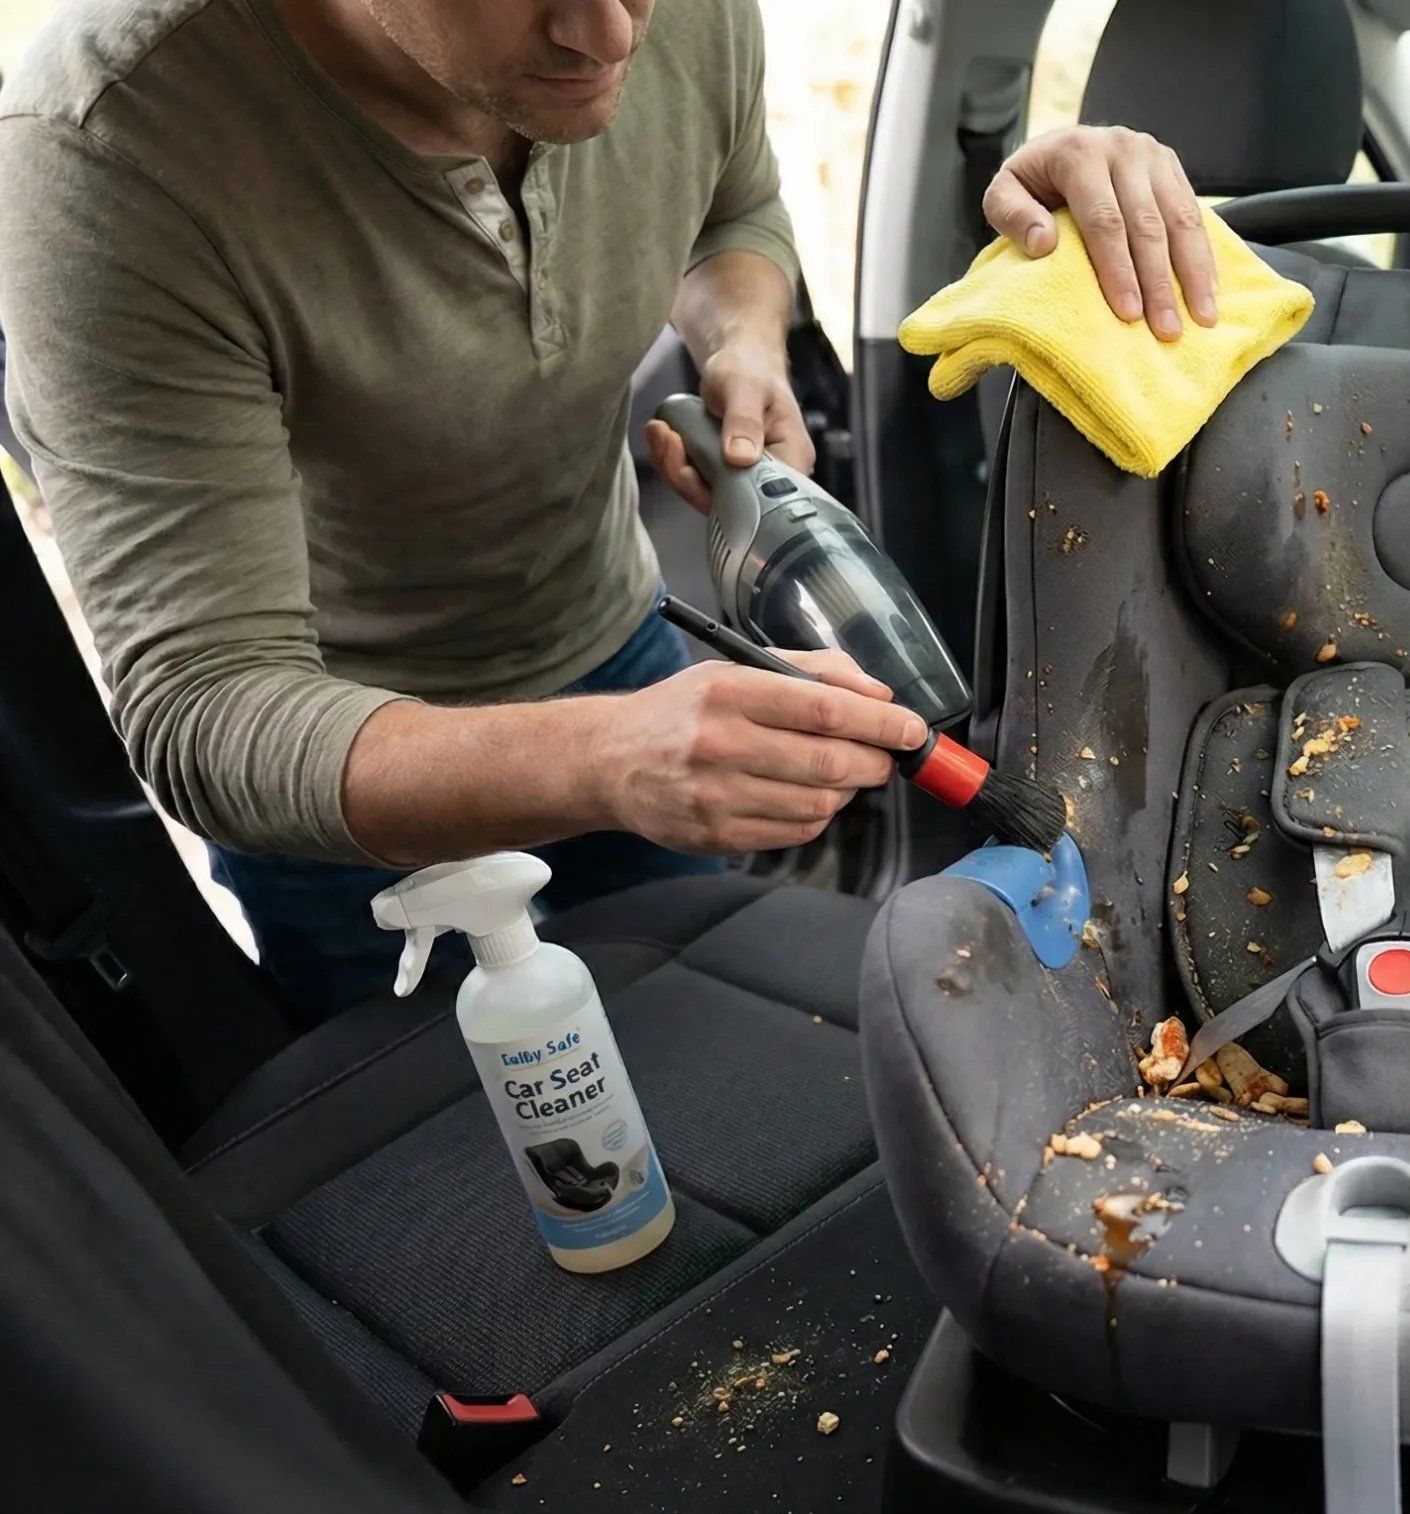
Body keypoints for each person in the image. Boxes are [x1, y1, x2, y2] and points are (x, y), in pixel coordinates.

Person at [0, 0, 1217, 1022]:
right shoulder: (109, 157)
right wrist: (609, 759)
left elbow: (733, 203)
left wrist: (740, 340)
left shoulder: (660, 15)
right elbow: (208, 712)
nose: (611, 34)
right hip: (355, 790)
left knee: (692, 1050)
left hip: (623, 644)